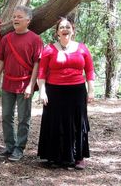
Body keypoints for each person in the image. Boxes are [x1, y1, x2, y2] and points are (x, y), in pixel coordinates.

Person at [37, 17, 95, 170]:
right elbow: (41, 73)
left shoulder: (82, 48)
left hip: (77, 91)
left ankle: (78, 157)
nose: (65, 29)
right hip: (54, 91)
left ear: (73, 31)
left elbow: (89, 70)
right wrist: (42, 92)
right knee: (55, 123)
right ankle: (55, 157)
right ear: (57, 33)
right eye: (61, 27)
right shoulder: (49, 49)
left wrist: (91, 90)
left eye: (68, 27)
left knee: (77, 123)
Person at [0, 6, 43, 162]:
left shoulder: (35, 39)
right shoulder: (6, 39)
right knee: (6, 116)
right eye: (14, 16)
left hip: (25, 84)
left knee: (23, 118)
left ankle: (19, 148)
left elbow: (37, 64)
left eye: (19, 16)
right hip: (8, 84)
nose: (15, 19)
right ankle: (9, 146)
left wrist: (31, 84)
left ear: (28, 20)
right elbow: (0, 61)